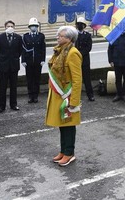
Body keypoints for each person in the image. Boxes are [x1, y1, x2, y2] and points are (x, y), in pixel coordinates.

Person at [45, 26, 82, 167]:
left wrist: (74, 101)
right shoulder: (59, 51)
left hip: (67, 95)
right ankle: (63, 151)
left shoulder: (73, 53)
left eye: (60, 36)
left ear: (69, 38)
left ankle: (69, 153)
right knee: (62, 124)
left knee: (68, 125)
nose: (57, 37)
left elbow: (77, 79)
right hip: (58, 94)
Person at [0, 20, 22, 113]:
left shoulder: (18, 37)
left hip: (14, 65)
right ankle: (1, 106)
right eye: (8, 26)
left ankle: (13, 104)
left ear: (14, 27)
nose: (10, 28)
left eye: (12, 26)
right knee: (2, 87)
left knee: (13, 87)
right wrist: (3, 58)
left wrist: (14, 58)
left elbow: (20, 51)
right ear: (5, 27)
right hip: (2, 66)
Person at [21, 17, 46, 103]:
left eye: (35, 26)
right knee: (29, 79)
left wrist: (43, 59)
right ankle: (30, 95)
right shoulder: (25, 36)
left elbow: (43, 48)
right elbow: (23, 49)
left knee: (37, 79)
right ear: (29, 27)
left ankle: (35, 96)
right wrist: (23, 60)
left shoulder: (41, 36)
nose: (34, 27)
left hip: (38, 61)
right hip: (28, 61)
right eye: (32, 26)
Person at [75, 17, 95, 101]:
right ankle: (75, 96)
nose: (80, 26)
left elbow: (89, 47)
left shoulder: (87, 35)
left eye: (81, 24)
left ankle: (90, 95)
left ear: (84, 26)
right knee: (76, 79)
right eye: (78, 24)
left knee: (87, 78)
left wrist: (80, 53)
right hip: (75, 60)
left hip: (85, 59)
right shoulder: (74, 35)